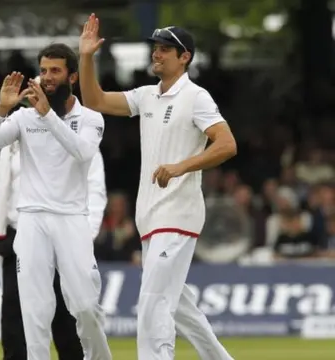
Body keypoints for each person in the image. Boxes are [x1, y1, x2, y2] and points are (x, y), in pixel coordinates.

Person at [78, 14, 237, 360]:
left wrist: (181, 166)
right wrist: (86, 56)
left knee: (152, 303)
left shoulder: (196, 97)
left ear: (185, 57)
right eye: (156, 48)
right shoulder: (146, 96)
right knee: (180, 308)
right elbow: (95, 101)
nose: (157, 54)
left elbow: (226, 144)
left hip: (178, 215)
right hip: (149, 217)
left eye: (166, 49)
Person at [0, 43, 112, 360]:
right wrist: (1, 110)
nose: (47, 78)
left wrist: (47, 115)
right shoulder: (23, 118)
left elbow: (82, 152)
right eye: (44, 70)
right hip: (31, 220)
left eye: (55, 71)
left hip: (71, 219)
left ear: (72, 76)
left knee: (85, 307)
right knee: (35, 312)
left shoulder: (91, 119)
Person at [0, 129, 107, 359]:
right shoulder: (16, 133)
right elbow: (0, 186)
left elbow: (95, 191)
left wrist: (83, 237)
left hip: (65, 237)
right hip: (19, 236)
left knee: (67, 320)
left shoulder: (78, 132)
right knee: (14, 319)